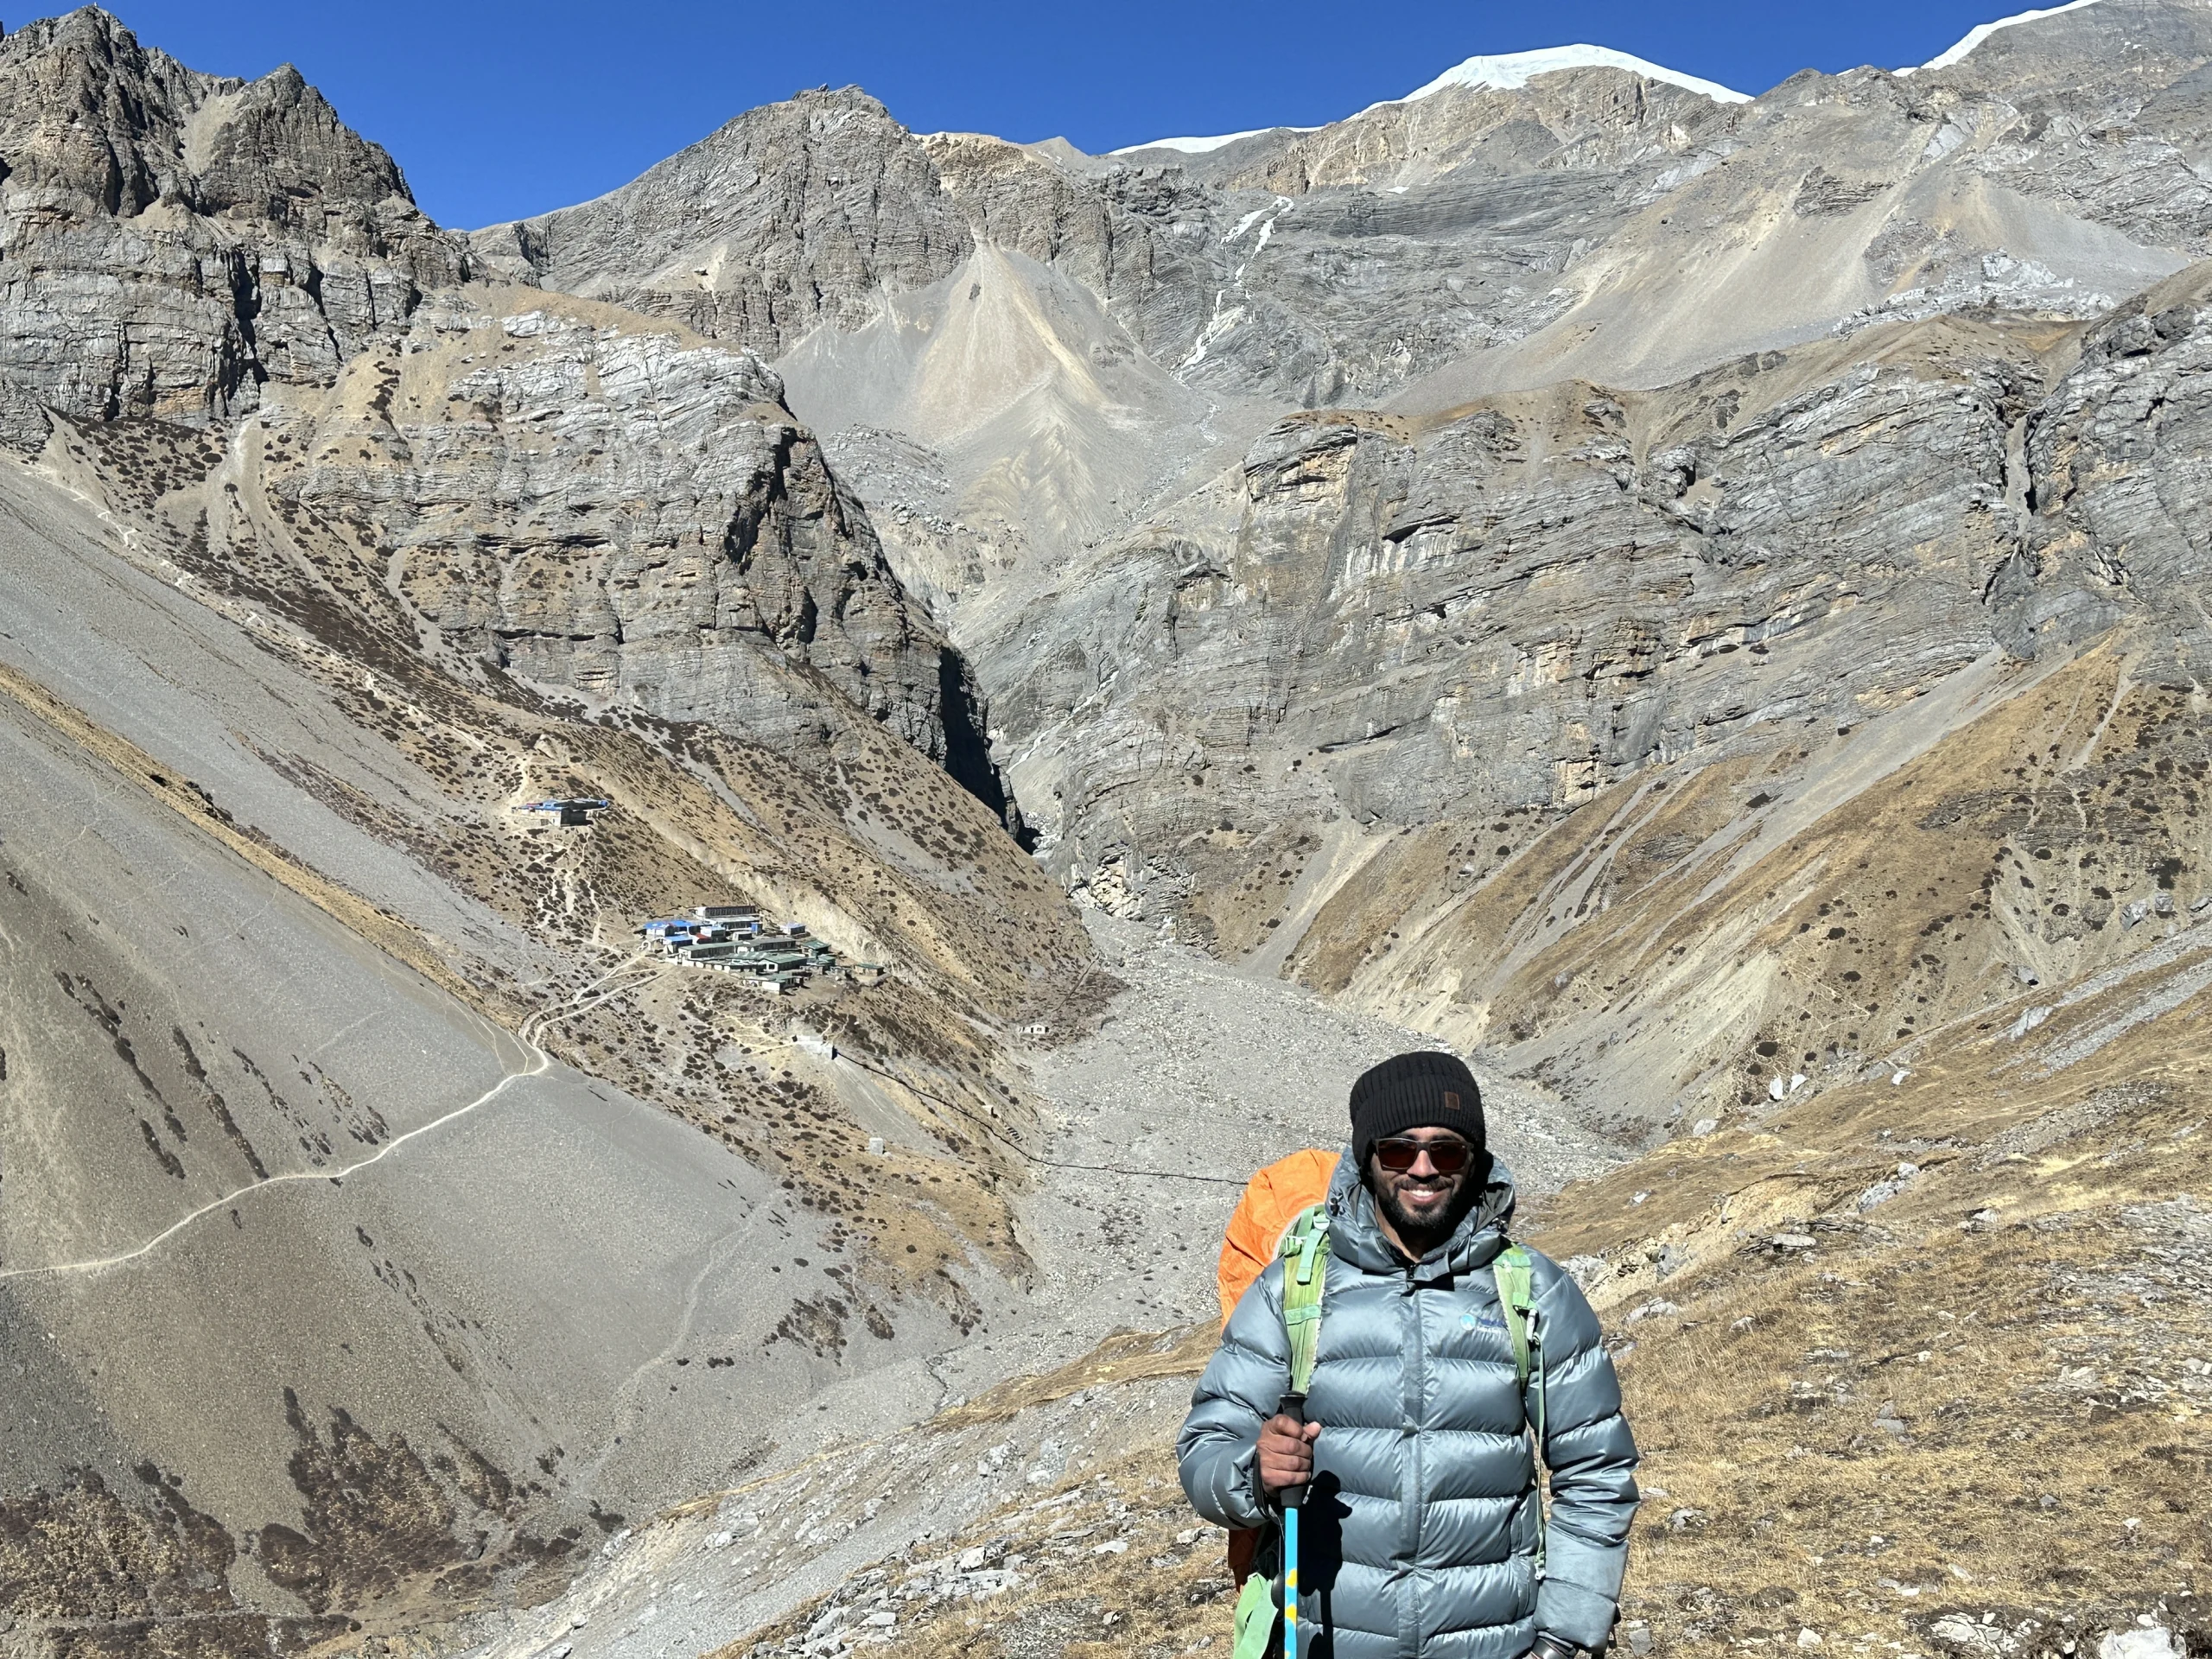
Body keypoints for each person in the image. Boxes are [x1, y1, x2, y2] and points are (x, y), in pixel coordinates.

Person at [1178, 1051, 1640, 1659]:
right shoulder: (1294, 1289)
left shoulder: (1532, 1290)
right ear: (1367, 1158)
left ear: (1474, 1162)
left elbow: (1597, 1472)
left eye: (1446, 1151)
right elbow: (1206, 1447)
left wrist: (1564, 1639)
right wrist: (1254, 1473)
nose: (1423, 1169)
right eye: (1399, 1150)